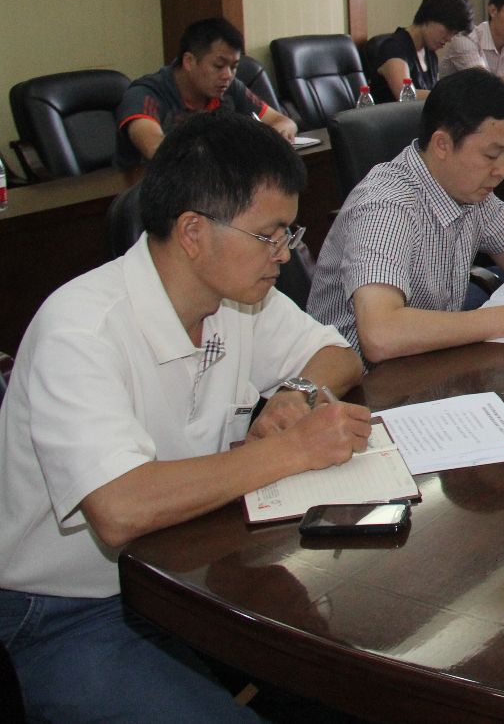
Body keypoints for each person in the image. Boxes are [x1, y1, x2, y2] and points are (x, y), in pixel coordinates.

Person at [0, 112, 369, 721]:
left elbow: (339, 355)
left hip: (189, 570)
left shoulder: (237, 299)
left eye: (288, 233)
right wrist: (293, 449)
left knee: (347, 671)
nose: (284, 255)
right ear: (193, 232)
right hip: (68, 610)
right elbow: (120, 509)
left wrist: (296, 391)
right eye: (269, 235)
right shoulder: (81, 330)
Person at [307, 68, 504, 363]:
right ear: (442, 144)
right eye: (491, 155)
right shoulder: (387, 206)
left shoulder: (469, 189)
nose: (502, 171)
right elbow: (380, 334)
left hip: (426, 360)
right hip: (359, 381)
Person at [115, 17, 298, 167]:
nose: (227, 75)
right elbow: (156, 150)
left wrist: (279, 134)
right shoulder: (146, 94)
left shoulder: (230, 88)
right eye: (218, 65)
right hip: (143, 192)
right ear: (189, 61)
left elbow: (283, 121)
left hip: (212, 183)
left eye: (234, 67)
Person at [367, 0, 475, 102]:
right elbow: (406, 96)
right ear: (429, 17)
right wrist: (452, 95)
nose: (450, 39)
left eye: (454, 34)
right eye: (448, 30)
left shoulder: (430, 53)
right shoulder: (394, 48)